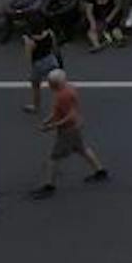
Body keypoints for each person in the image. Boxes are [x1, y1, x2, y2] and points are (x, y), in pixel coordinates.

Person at [29, 68, 107, 197]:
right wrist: (48, 120)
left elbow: (69, 115)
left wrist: (52, 125)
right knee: (82, 149)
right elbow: (59, 111)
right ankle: (100, 171)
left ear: (55, 84)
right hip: (74, 127)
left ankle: (49, 185)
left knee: (54, 157)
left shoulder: (62, 96)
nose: (48, 85)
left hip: (67, 130)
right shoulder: (68, 89)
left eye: (50, 83)